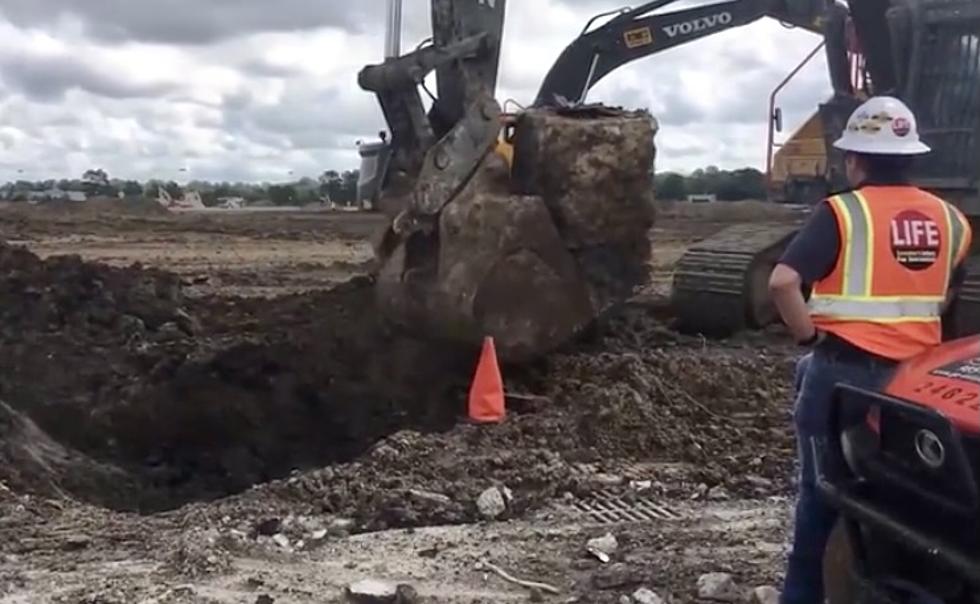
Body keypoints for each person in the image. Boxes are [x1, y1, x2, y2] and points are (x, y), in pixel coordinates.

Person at [768, 95, 973, 604]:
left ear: (853, 158)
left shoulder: (841, 212)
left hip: (843, 374)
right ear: (911, 158)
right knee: (907, 501)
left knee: (820, 501)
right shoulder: (952, 221)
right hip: (918, 385)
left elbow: (782, 282)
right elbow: (947, 295)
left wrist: (808, 337)